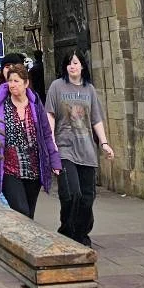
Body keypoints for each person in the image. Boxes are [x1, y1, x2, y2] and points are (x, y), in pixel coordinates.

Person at [44, 48, 113, 248]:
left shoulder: (89, 89)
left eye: (76, 62)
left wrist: (105, 143)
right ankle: (67, 230)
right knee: (71, 193)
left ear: (82, 65)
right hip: (65, 148)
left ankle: (82, 233)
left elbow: (96, 119)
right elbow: (50, 114)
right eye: (69, 63)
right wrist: (51, 142)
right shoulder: (57, 86)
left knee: (87, 197)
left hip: (87, 150)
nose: (72, 66)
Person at [0, 61, 61, 218]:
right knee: (21, 211)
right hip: (10, 168)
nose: (12, 85)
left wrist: (55, 161)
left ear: (26, 83)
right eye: (10, 81)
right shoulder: (0, 107)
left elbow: (46, 136)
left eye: (16, 81)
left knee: (29, 215)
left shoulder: (36, 105)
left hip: (33, 170)